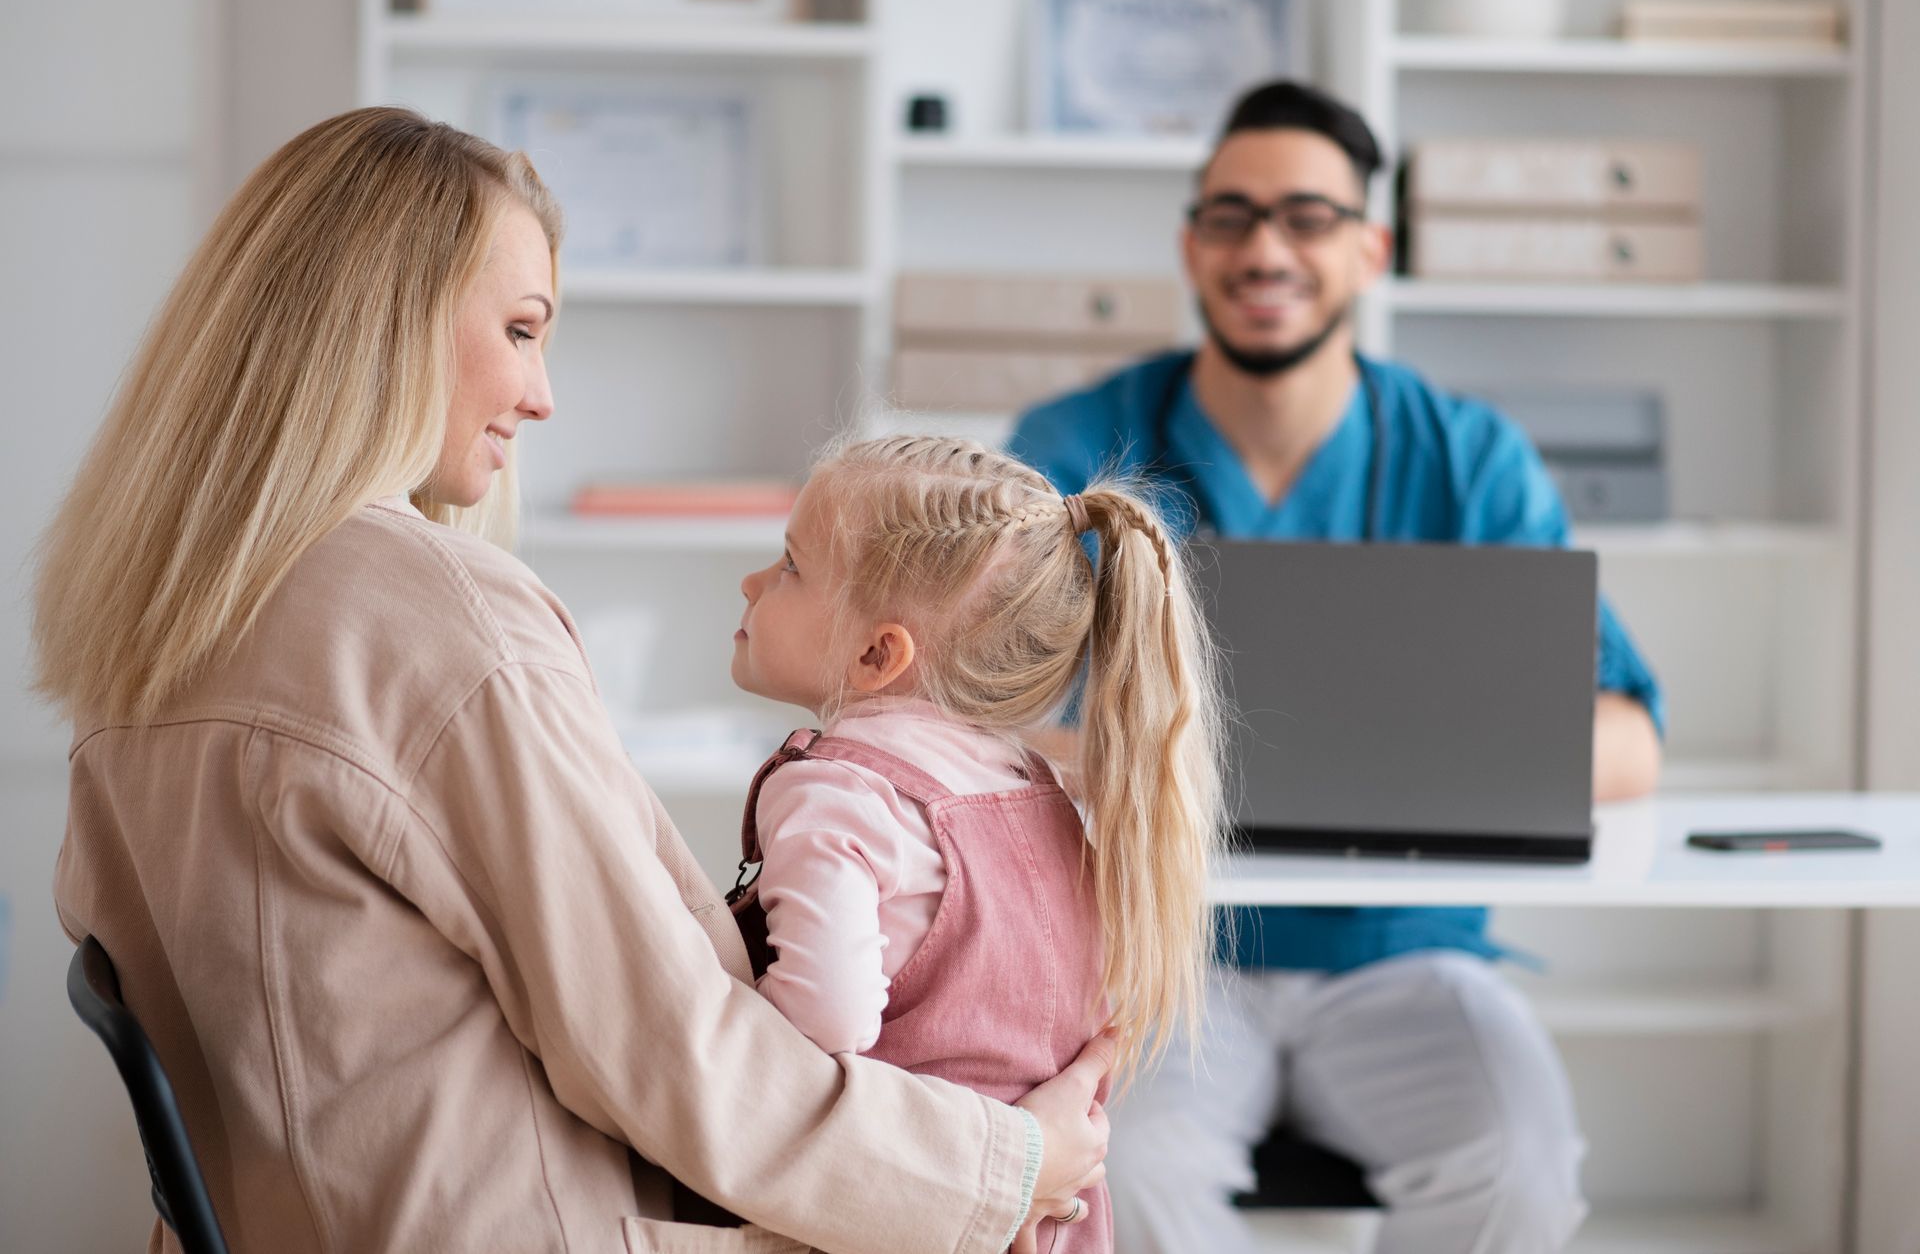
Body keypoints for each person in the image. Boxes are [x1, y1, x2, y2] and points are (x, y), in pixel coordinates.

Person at [33, 107, 1112, 1254]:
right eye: (519, 329)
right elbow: (671, 1057)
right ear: (380, 321)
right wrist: (1009, 1163)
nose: (542, 397)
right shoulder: (429, 617)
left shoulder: (157, 623)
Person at [1008, 81, 1667, 1254]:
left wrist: (1173, 758)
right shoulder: (1075, 447)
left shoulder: (1470, 459)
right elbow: (972, 721)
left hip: (1407, 957)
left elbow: (1626, 744)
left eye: (1309, 218)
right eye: (1233, 216)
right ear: (1191, 244)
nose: (1267, 249)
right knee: (1120, 1187)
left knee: (1519, 1173)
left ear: (1371, 249)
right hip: (1163, 953)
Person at [723, 435, 1230, 1251]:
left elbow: (821, 1026)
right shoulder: (1039, 794)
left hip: (911, 1217)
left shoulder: (837, 793)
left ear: (878, 653)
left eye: (789, 566)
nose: (751, 583)